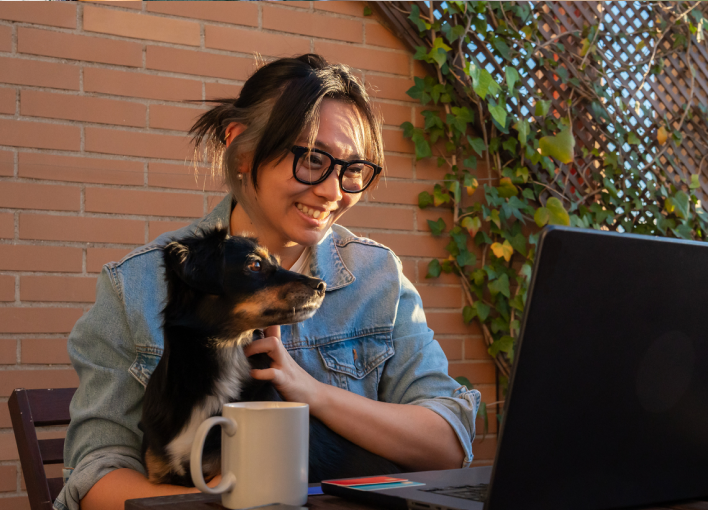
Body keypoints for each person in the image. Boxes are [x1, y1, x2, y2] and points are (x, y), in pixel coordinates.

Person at [54, 54, 481, 510]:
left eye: (352, 170)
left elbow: (448, 442)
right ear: (241, 151)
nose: (333, 192)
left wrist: (310, 392)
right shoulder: (137, 285)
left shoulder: (377, 278)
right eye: (313, 159)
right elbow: (96, 473)